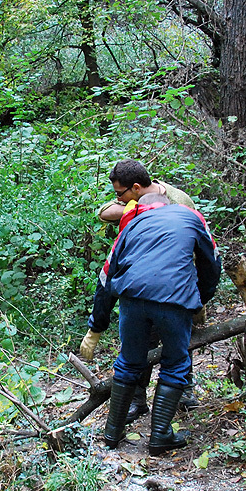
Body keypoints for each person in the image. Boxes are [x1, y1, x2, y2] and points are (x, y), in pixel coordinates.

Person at [79, 192, 221, 455]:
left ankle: (112, 433)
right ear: (166, 206)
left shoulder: (131, 225)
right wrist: (200, 298)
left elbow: (106, 278)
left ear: (142, 208)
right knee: (175, 363)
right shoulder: (192, 216)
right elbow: (212, 263)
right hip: (175, 299)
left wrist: (96, 326)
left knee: (128, 362)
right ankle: (160, 436)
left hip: (131, 299)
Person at [95, 159, 198, 420]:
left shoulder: (178, 201)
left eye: (121, 193)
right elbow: (103, 212)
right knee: (141, 344)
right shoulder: (133, 201)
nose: (118, 198)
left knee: (180, 342)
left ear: (136, 187)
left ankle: (185, 392)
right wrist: (130, 208)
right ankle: (137, 400)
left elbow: (196, 244)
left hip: (178, 283)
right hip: (141, 286)